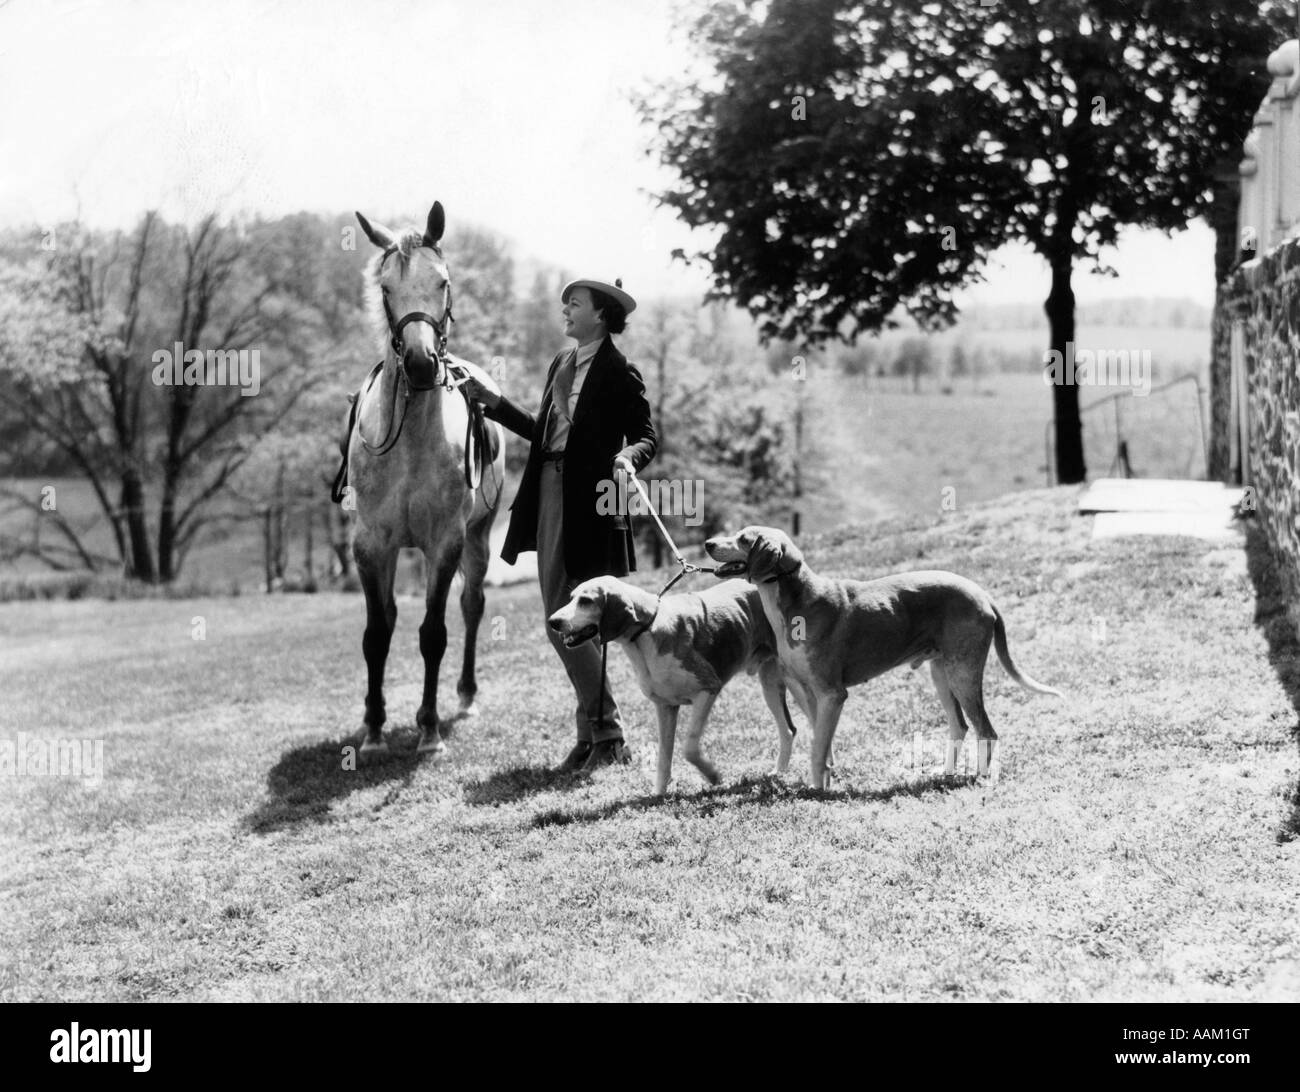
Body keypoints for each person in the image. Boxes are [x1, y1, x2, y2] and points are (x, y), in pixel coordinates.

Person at [463, 278, 657, 771]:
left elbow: (646, 435)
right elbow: (541, 432)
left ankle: (608, 733)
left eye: (576, 302)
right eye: (565, 301)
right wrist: (495, 402)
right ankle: (593, 737)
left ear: (601, 314)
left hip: (593, 502)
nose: (565, 308)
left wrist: (628, 456)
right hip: (549, 491)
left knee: (563, 620)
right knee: (571, 620)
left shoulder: (619, 370)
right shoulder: (561, 363)